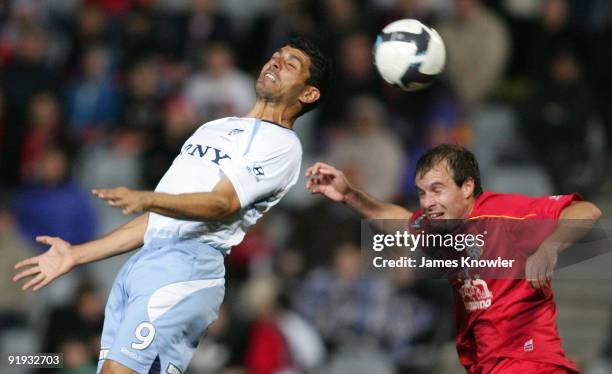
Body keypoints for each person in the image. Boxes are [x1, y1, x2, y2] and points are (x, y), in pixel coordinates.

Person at [13, 36, 331, 374]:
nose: (275, 62)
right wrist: (77, 255)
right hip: (145, 262)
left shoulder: (283, 145)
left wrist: (148, 197)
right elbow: (158, 219)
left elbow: (222, 203)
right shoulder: (213, 128)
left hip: (187, 267)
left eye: (291, 64)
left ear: (308, 94)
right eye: (276, 55)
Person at [306, 144, 602, 374]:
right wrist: (348, 194)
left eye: (437, 190)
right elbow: (392, 216)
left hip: (528, 360)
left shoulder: (504, 214)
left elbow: (586, 211)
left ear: (468, 187)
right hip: (488, 363)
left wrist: (549, 247)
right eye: (422, 193)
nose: (427, 203)